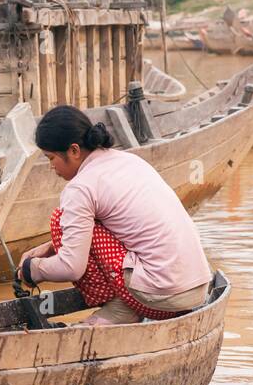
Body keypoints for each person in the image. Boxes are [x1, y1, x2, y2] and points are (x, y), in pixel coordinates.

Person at [19, 105, 211, 324]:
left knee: (58, 220)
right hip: (197, 289)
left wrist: (33, 270)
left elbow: (71, 267)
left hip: (162, 297)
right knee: (73, 227)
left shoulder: (80, 188)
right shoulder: (128, 160)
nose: (51, 167)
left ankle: (119, 305)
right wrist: (49, 247)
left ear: (73, 151)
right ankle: (124, 306)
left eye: (51, 158)